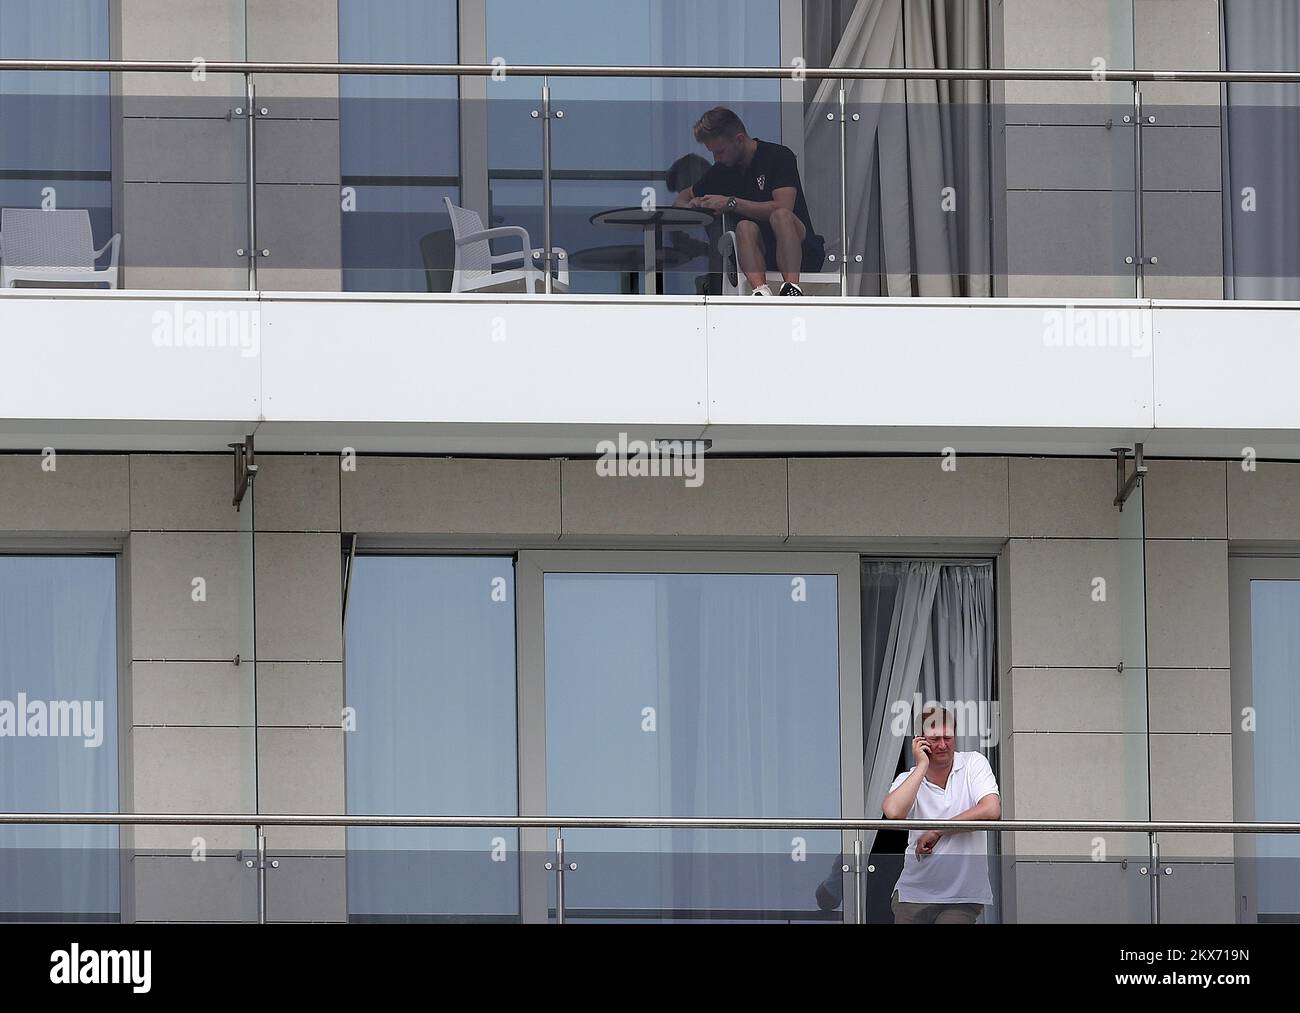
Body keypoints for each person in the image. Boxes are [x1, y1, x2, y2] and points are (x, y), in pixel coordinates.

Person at [674, 106, 824, 296]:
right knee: (744, 226)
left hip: (801, 252)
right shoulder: (722, 169)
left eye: (720, 151)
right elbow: (682, 197)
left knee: (781, 216)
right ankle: (760, 291)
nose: (716, 158)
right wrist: (693, 206)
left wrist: (730, 203)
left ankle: (792, 288)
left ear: (739, 139)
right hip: (757, 253)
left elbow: (784, 207)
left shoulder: (778, 156)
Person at [880, 705, 1001, 924]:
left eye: (948, 737)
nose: (943, 745)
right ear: (920, 741)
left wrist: (937, 830)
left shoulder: (973, 763)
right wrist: (922, 765)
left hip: (961, 896)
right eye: (935, 739)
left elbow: (992, 810)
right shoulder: (911, 778)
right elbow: (893, 812)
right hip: (913, 894)